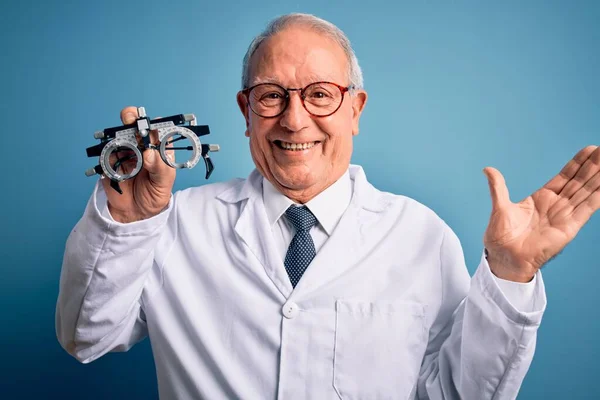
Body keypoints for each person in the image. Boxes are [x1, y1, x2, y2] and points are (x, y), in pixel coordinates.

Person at [56, 13, 599, 399]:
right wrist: (127, 222)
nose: (295, 120)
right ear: (246, 111)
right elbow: (87, 338)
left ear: (355, 109)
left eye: (320, 94)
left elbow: (458, 396)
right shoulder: (174, 225)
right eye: (272, 95)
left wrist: (509, 273)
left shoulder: (420, 237)